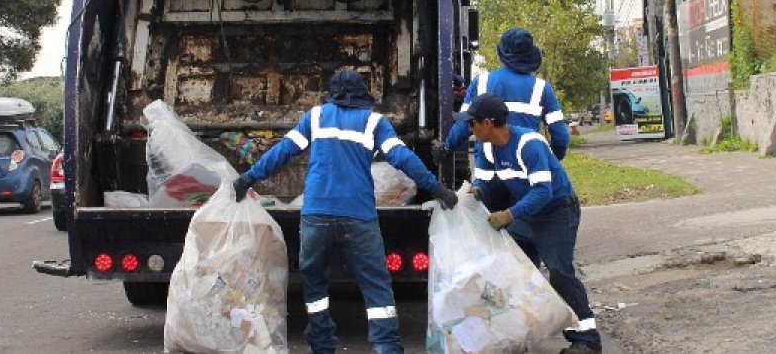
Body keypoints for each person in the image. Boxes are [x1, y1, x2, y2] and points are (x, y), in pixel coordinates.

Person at [233, 69, 459, 354]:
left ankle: (322, 343)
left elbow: (284, 151)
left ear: (333, 92)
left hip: (316, 215)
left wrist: (247, 179)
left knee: (314, 282)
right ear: (362, 93)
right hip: (358, 217)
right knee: (376, 285)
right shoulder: (374, 122)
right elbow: (402, 157)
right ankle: (386, 347)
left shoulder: (315, 117)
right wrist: (436, 188)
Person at [460, 93, 602, 354]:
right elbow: (491, 182)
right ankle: (521, 334)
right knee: (513, 270)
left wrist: (510, 215)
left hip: (556, 212)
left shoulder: (529, 144)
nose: (469, 129)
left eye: (472, 123)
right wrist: (479, 190)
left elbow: (542, 192)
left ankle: (587, 340)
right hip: (527, 213)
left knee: (559, 271)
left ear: (488, 123)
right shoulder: (489, 147)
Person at [433, 27, 570, 164]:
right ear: (529, 56)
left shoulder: (481, 82)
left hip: (488, 173)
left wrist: (446, 148)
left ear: (502, 54)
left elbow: (464, 124)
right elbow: (561, 136)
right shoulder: (542, 88)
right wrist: (552, 160)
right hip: (525, 169)